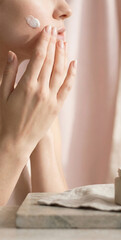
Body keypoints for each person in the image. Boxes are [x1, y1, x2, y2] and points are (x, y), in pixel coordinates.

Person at [0, 0, 77, 206]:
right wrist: (17, 142)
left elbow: (56, 229)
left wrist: (42, 131)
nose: (65, 10)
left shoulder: (29, 100)